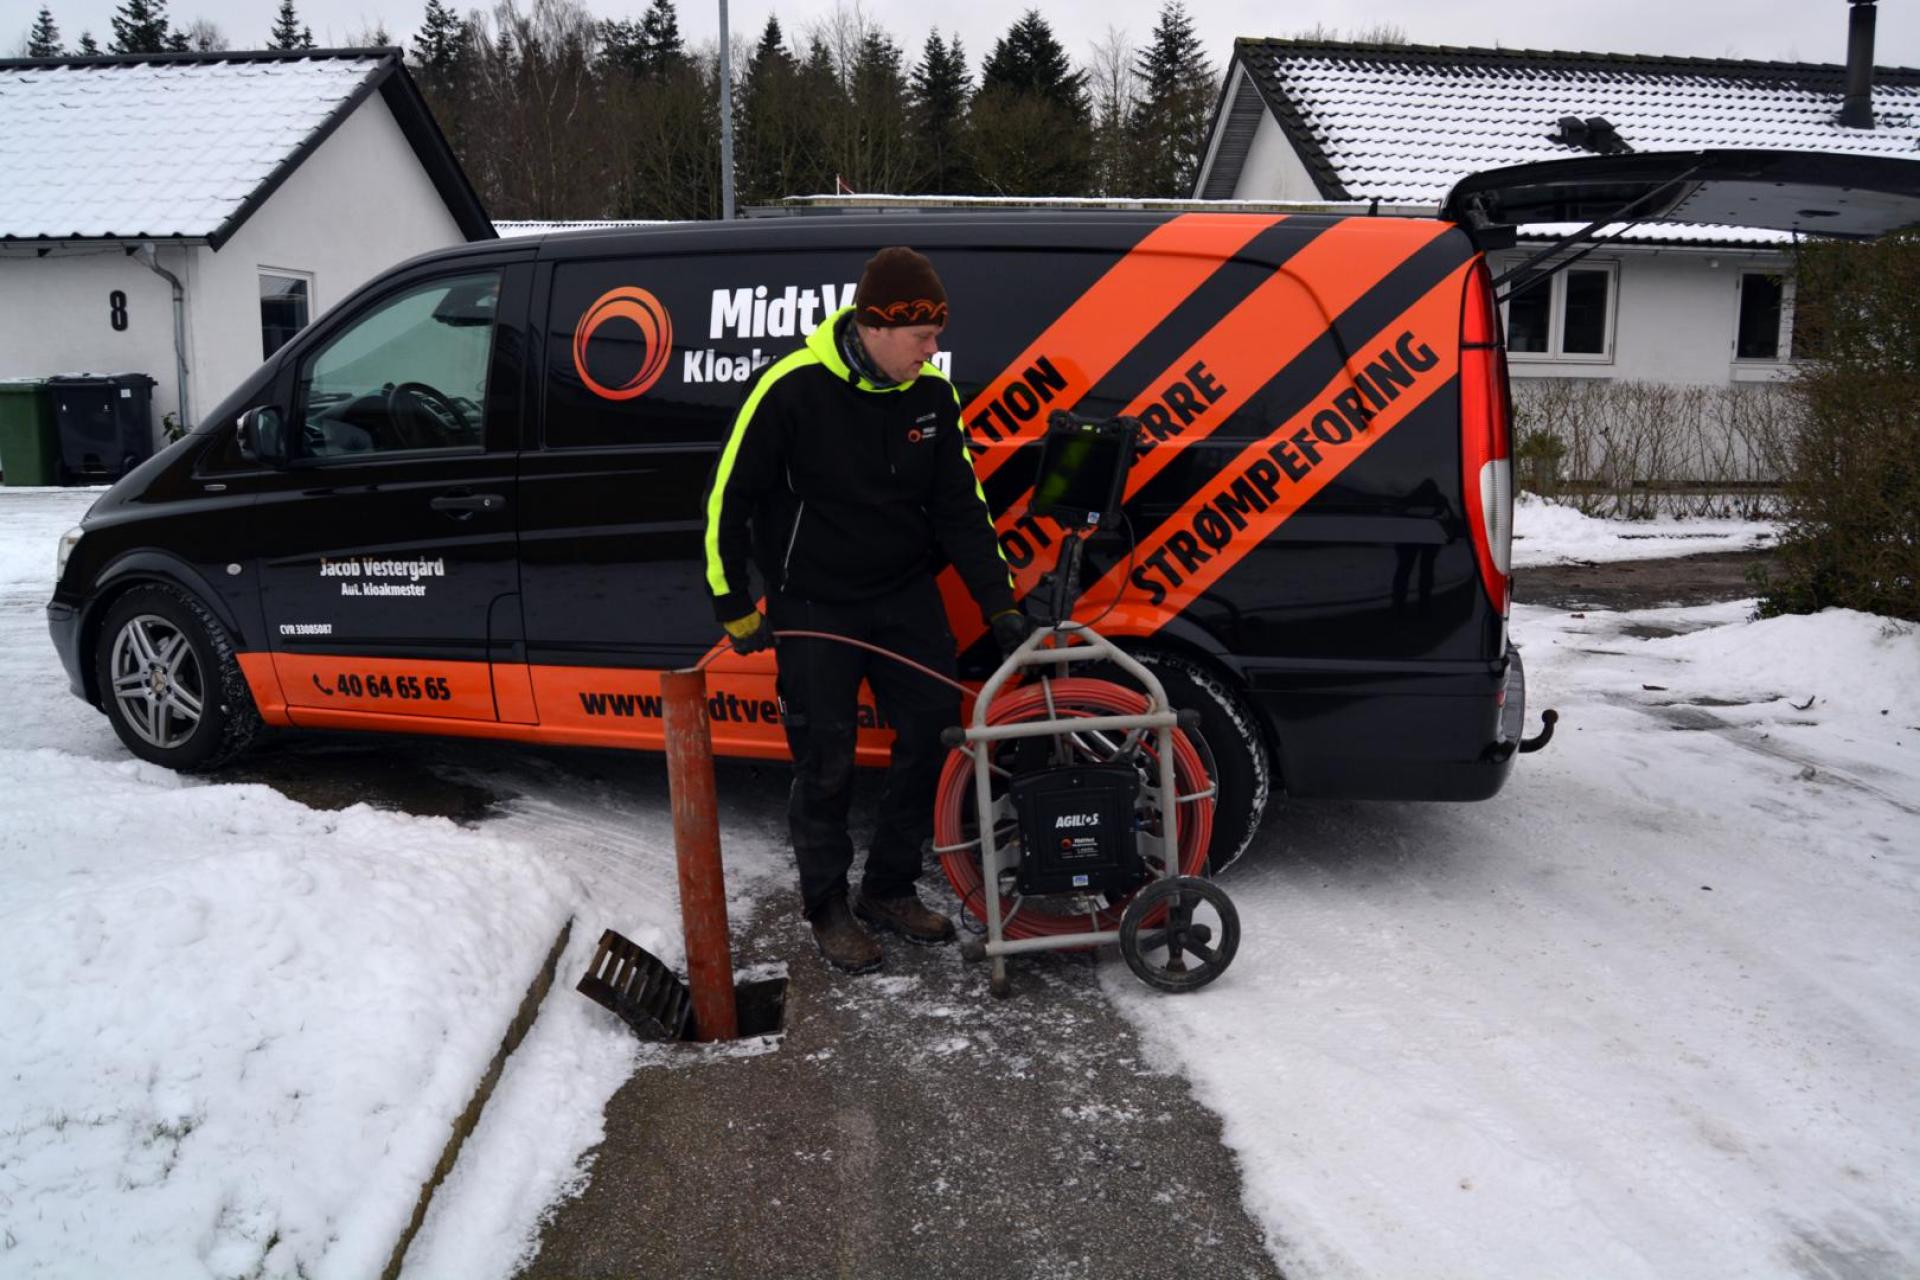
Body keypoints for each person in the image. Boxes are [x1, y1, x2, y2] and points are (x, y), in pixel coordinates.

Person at [702, 247, 1032, 974]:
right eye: (924, 337)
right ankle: (827, 906)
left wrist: (999, 603)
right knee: (826, 757)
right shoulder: (791, 389)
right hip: (815, 599)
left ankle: (889, 887)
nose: (934, 349)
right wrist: (731, 599)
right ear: (879, 326)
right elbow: (731, 496)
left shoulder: (930, 397)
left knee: (934, 734)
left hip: (903, 593)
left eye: (937, 336)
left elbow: (961, 508)